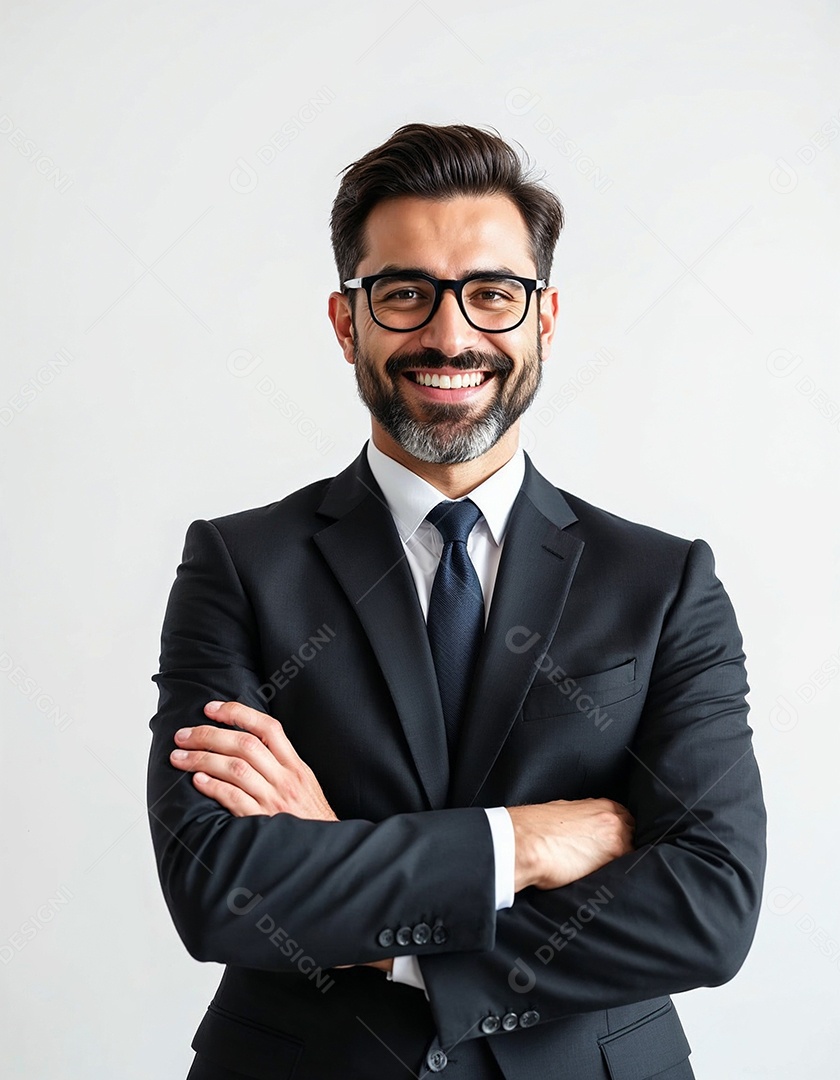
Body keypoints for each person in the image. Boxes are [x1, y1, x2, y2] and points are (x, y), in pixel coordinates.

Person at [147, 123, 766, 1080]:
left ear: (545, 317)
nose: (449, 334)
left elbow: (710, 905)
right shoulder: (238, 564)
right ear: (347, 320)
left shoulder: (663, 581)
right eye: (404, 294)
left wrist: (377, 915)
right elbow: (218, 888)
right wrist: (526, 841)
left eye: (491, 294)